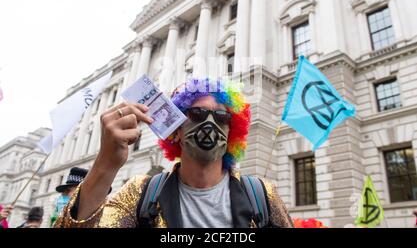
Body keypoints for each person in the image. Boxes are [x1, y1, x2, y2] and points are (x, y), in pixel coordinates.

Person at [55, 78, 293, 228]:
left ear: (232, 131)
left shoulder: (261, 195)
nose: (209, 124)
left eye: (221, 117)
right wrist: (106, 165)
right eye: (197, 115)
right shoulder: (140, 193)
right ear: (176, 129)